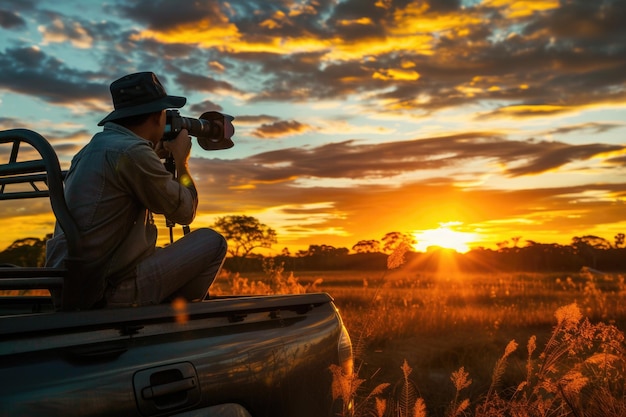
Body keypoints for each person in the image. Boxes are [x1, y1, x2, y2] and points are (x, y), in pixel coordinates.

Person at [46, 71, 227, 309]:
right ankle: (170, 322)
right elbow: (184, 212)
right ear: (156, 116)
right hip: (106, 292)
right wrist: (182, 162)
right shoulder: (133, 153)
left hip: (73, 287)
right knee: (213, 242)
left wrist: (154, 156)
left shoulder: (94, 149)